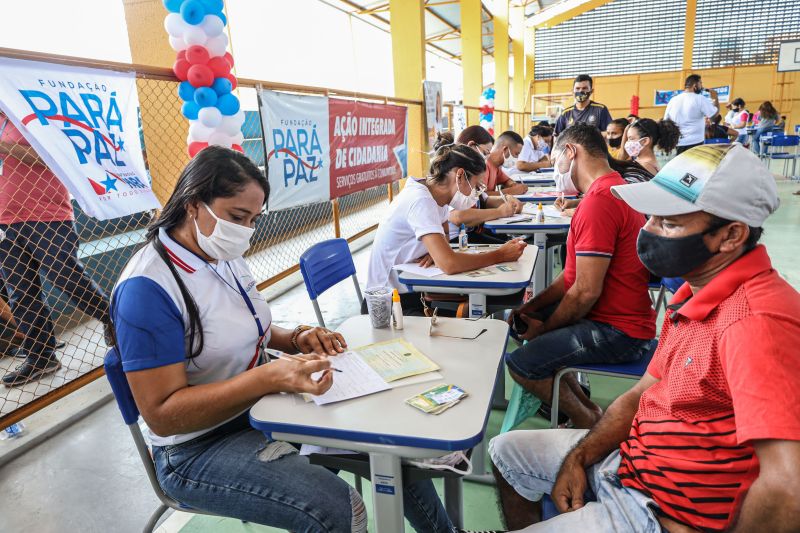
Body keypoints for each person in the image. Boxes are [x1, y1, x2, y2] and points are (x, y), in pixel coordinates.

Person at [112, 146, 460, 532]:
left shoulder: (221, 252)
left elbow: (242, 329)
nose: (245, 230)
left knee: (394, 442)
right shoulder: (147, 288)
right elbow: (163, 416)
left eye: (253, 219)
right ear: (194, 204)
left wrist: (297, 337)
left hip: (258, 408)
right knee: (338, 510)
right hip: (198, 447)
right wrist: (266, 378)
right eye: (237, 217)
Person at [490, 143, 800, 533]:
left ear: (731, 235)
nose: (648, 231)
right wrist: (581, 454)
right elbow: (640, 395)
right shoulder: (694, 295)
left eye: (669, 224)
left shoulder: (756, 322)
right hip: (634, 465)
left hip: (663, 512)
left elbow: (789, 485)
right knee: (506, 451)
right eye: (651, 217)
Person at [505, 124, 656, 430]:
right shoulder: (611, 188)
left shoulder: (600, 201)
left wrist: (545, 328)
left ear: (571, 152)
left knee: (522, 363)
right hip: (617, 318)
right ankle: (588, 410)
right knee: (520, 325)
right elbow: (570, 278)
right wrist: (530, 309)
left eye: (554, 160)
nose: (555, 169)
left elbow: (585, 292)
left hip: (619, 332)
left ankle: (586, 421)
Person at [0, 111, 114, 387]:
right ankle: (41, 357)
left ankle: (114, 320)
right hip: (5, 219)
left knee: (66, 276)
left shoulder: (29, 111)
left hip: (47, 213)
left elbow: (53, 157)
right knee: (21, 292)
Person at [366, 137, 526, 315]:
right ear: (459, 175)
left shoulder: (437, 197)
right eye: (475, 185)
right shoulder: (421, 200)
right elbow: (449, 263)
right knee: (466, 321)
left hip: (413, 289)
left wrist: (434, 252)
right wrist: (500, 255)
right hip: (388, 303)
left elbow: (445, 240)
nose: (476, 193)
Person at [664, 74, 719, 153]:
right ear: (695, 85)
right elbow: (714, 117)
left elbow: (666, 121)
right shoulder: (699, 98)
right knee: (694, 165)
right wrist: (715, 98)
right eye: (700, 83)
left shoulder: (673, 100)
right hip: (695, 143)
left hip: (678, 143)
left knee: (680, 165)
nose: (702, 86)